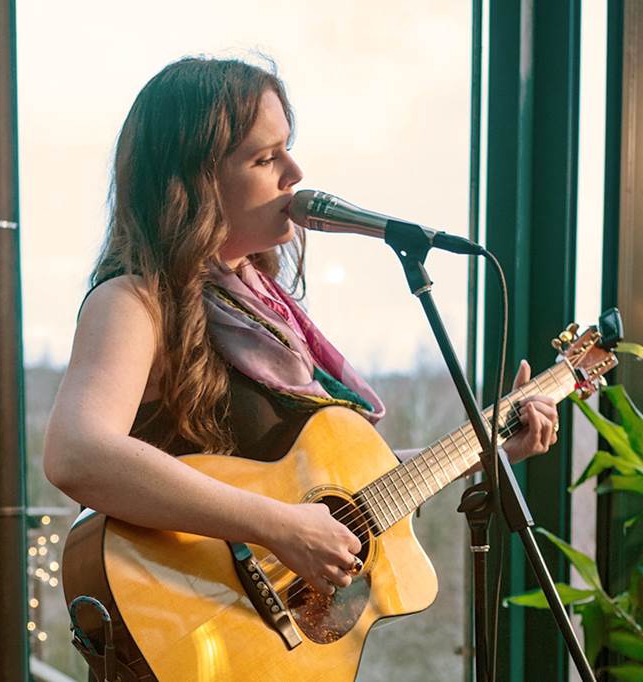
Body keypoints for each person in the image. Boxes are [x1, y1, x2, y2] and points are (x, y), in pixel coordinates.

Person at [42, 55, 558, 681]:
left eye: (288, 149)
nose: (296, 173)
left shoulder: (265, 310)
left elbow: (330, 492)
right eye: (265, 159)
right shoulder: (132, 301)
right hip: (189, 635)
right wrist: (280, 527)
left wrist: (489, 446)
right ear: (194, 182)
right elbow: (77, 453)